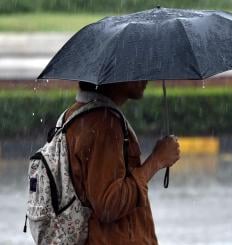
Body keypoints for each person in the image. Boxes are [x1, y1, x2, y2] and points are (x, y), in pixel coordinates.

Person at [64, 80, 180, 244]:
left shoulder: (76, 113)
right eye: (137, 68)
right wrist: (156, 160)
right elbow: (108, 205)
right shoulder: (103, 124)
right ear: (115, 78)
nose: (145, 78)